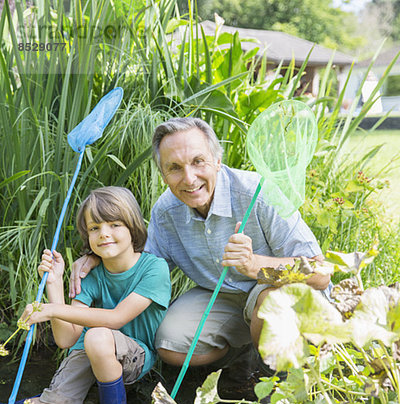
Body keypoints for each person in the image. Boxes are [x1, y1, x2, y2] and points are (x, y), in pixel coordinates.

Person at [69, 118, 330, 379]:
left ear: (217, 160)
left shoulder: (258, 193)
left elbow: (321, 272)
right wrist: (98, 255)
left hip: (276, 291)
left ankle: (275, 383)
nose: (189, 178)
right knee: (170, 345)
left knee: (270, 304)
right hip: (224, 296)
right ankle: (242, 359)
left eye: (198, 161)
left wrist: (253, 264)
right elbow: (143, 265)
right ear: (163, 175)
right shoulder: (166, 211)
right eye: (175, 168)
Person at [1, 187, 171, 404]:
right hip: (87, 349)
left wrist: (51, 310)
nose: (103, 233)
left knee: (97, 335)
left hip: (133, 354)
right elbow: (67, 339)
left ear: (133, 227)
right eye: (94, 228)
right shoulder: (89, 275)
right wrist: (54, 284)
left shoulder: (153, 268)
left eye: (114, 224)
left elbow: (116, 318)